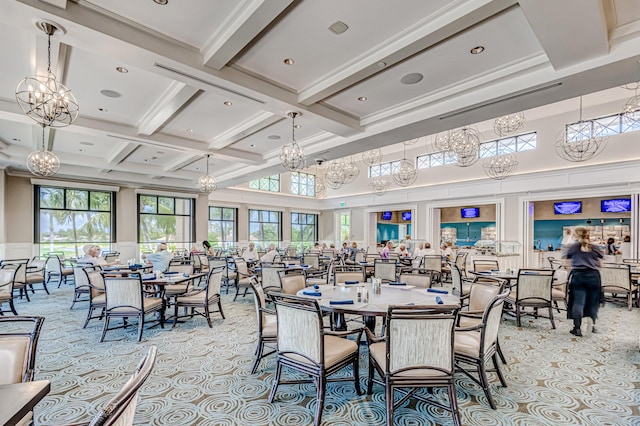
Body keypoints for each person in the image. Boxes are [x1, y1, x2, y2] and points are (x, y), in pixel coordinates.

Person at [563, 227, 603, 337]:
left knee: (578, 302)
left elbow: (566, 263)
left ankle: (577, 328)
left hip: (578, 276)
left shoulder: (572, 247)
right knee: (593, 302)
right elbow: (601, 264)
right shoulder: (595, 247)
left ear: (575, 235)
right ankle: (591, 326)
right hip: (594, 277)